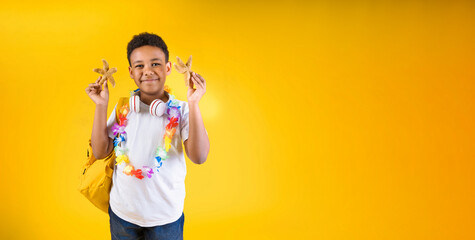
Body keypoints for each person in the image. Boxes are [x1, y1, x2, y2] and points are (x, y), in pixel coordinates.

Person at [85, 32, 210, 240]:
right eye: (139, 66)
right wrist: (101, 105)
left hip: (165, 218)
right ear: (131, 72)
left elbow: (199, 157)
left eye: (155, 64)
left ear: (168, 68)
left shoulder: (183, 110)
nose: (148, 71)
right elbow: (99, 151)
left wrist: (194, 103)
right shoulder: (124, 108)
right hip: (122, 215)